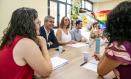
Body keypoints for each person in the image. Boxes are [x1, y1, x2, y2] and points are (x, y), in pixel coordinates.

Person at [0, 7, 52, 79]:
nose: (40, 25)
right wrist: (43, 45)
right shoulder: (25, 43)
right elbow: (47, 72)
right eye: (38, 22)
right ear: (29, 25)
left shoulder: (10, 38)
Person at [94, 1, 131, 79]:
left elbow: (100, 71)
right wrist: (103, 57)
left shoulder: (119, 46)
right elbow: (118, 62)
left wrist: (111, 43)